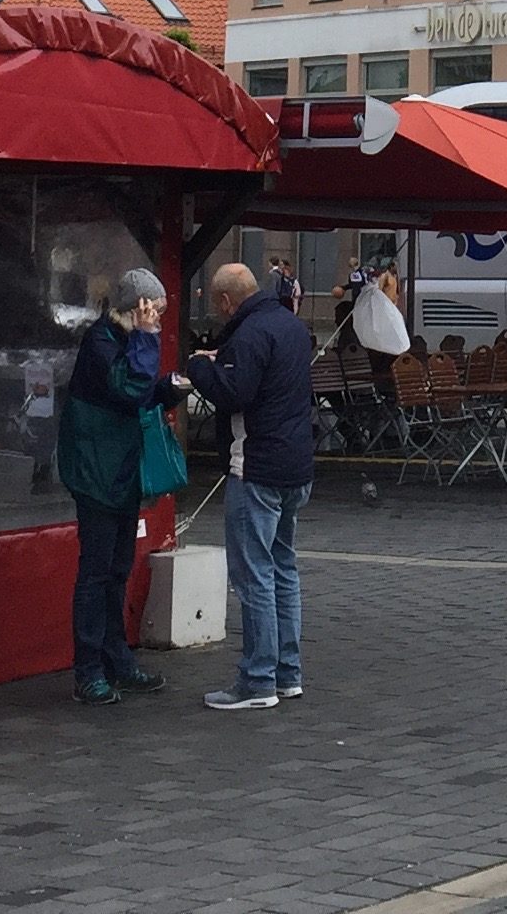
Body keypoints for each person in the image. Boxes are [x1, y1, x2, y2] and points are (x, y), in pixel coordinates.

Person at [185, 260, 314, 713]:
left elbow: (235, 394)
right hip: (297, 466)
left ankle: (258, 680)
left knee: (253, 574)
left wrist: (199, 369)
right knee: (283, 568)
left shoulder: (247, 334)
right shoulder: (291, 326)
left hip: (256, 466)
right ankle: (287, 673)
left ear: (225, 300)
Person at [55, 268, 184, 705]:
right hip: (97, 473)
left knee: (116, 570)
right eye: (156, 312)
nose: (160, 321)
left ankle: (116, 660)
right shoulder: (102, 342)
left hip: (119, 471)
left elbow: (138, 390)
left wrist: (169, 388)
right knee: (97, 572)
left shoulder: (122, 341)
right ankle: (89, 669)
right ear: (139, 308)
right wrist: (147, 338)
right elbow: (128, 389)